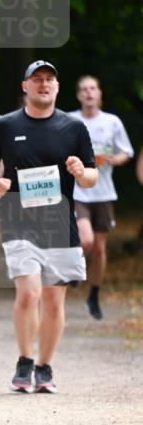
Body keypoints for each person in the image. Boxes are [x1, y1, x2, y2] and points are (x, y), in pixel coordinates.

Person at [0, 60, 97, 394]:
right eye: (37, 79)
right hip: (19, 221)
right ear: (25, 86)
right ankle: (24, 359)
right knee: (29, 293)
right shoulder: (5, 124)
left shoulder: (73, 127)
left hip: (60, 225)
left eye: (49, 80)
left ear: (57, 87)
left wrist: (80, 171)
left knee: (54, 302)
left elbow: (91, 176)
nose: (44, 84)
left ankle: (44, 366)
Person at [69, 75, 135, 320]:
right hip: (78, 191)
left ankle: (94, 295)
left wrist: (115, 159)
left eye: (93, 88)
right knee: (85, 240)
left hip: (104, 192)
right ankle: (75, 268)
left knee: (99, 248)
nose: (89, 92)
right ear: (78, 95)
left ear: (99, 94)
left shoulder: (112, 121)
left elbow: (126, 151)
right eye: (84, 89)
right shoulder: (69, 120)